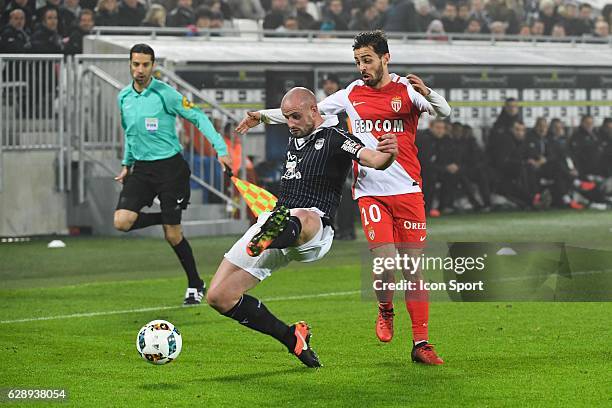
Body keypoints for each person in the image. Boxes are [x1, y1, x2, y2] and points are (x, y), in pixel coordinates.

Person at [237, 30, 451, 365]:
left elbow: (445, 112)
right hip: (370, 192)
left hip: (408, 190)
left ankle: (421, 343)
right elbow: (308, 111)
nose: (362, 66)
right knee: (384, 265)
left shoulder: (407, 90)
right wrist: (261, 116)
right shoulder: (351, 94)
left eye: (367, 60)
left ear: (385, 58)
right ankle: (385, 308)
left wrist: (429, 93)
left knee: (412, 269)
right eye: (357, 61)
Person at [207, 87, 398, 368]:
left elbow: (374, 160)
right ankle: (291, 337)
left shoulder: (336, 138)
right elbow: (286, 114)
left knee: (300, 214)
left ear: (314, 111)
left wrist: (388, 153)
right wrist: (260, 116)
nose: (291, 123)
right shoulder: (296, 131)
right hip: (275, 221)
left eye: (296, 117)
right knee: (218, 296)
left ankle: (274, 233)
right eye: (287, 118)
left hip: (314, 232)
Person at [114, 44, 232, 305]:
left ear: (153, 65)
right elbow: (129, 134)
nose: (140, 69)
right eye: (136, 64)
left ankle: (195, 284)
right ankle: (165, 218)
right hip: (142, 169)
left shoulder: (166, 94)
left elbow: (198, 117)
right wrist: (126, 164)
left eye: (145, 64)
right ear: (130, 65)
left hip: (171, 170)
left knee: (173, 234)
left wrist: (221, 149)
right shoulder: (123, 97)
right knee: (122, 222)